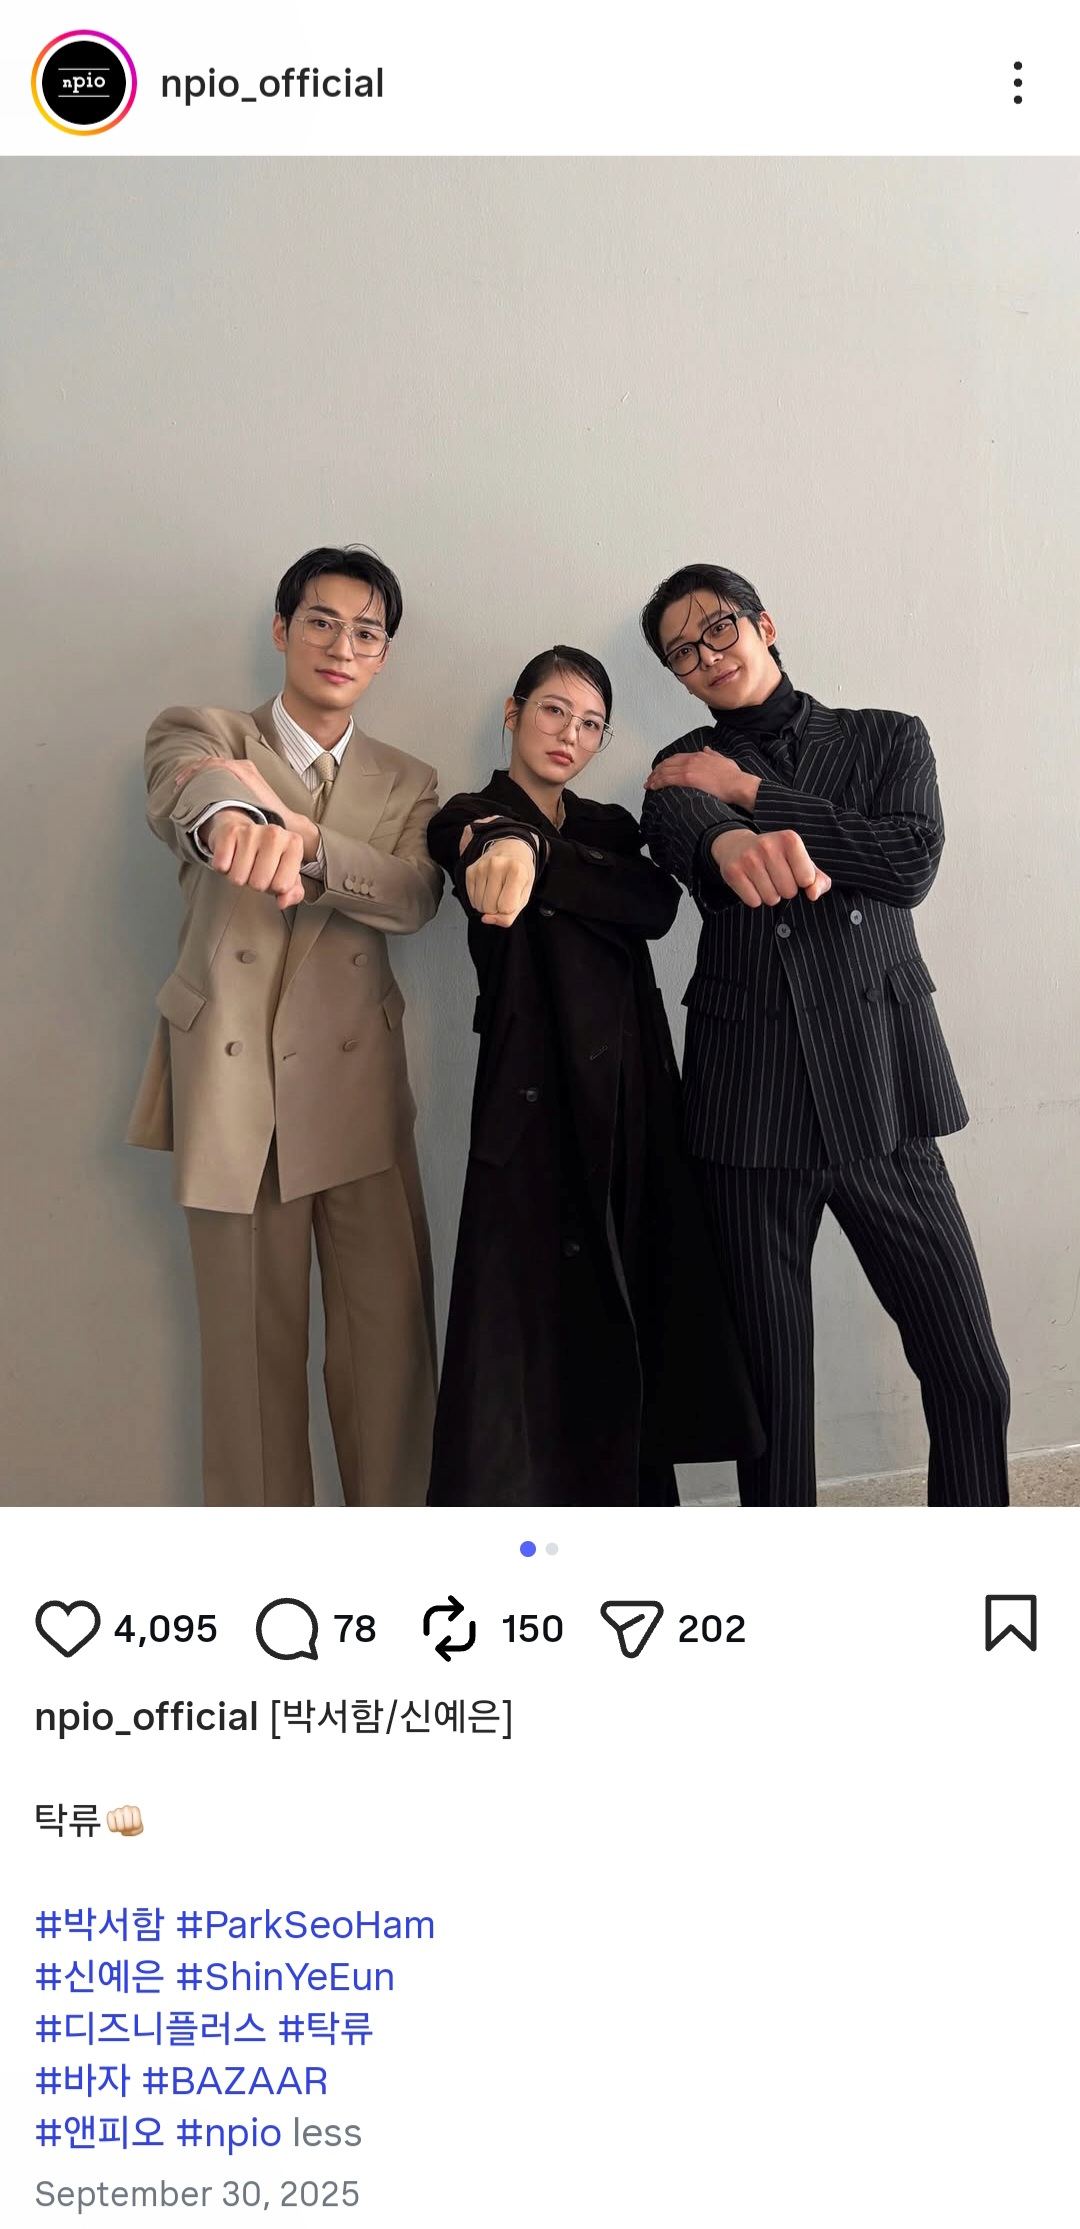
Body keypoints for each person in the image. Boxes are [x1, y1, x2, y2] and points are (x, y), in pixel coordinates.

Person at [638, 562, 1010, 1507]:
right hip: (751, 1112)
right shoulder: (679, 767)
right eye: (682, 652)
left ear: (763, 623)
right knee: (774, 1409)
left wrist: (754, 794)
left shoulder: (889, 736)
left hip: (886, 1095)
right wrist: (728, 834)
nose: (706, 656)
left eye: (718, 628)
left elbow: (909, 862)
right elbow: (688, 832)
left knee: (972, 1374)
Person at [127, 544, 441, 1507]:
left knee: (389, 1358)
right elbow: (190, 787)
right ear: (282, 628)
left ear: (383, 654)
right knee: (249, 1371)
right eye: (321, 622)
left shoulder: (408, 780)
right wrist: (235, 819)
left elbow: (414, 894)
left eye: (365, 632)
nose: (341, 646)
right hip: (237, 1092)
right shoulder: (205, 729)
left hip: (356, 1092)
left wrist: (305, 844)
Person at [425, 645, 763, 1506]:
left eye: (590, 724)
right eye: (553, 711)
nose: (569, 735)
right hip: (530, 1103)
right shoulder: (471, 814)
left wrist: (544, 860)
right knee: (526, 1329)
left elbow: (654, 903)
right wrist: (514, 849)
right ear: (514, 714)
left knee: (631, 1308)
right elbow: (470, 847)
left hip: (631, 1097)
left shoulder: (610, 824)